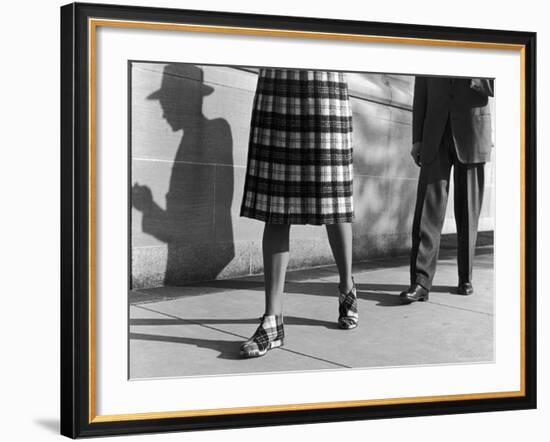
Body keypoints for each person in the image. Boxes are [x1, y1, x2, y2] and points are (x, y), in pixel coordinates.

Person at [239, 68, 357, 358]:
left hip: (325, 86)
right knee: (275, 205)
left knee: (334, 200)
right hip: (278, 85)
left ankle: (347, 286)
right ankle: (272, 320)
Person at [400, 76, 494, 304]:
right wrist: (417, 139)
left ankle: (465, 277)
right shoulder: (431, 44)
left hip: (472, 130)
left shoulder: (486, 43)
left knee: (468, 213)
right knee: (426, 212)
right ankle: (421, 282)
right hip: (435, 133)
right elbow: (420, 91)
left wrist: (476, 74)